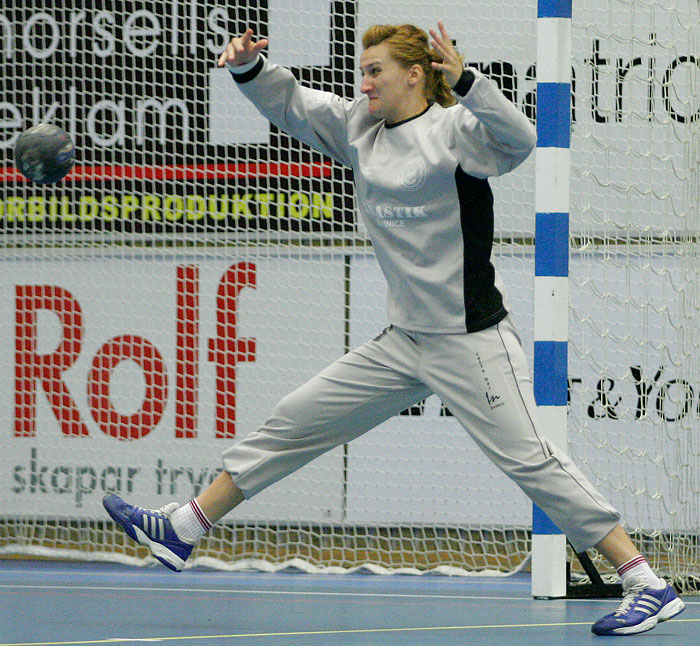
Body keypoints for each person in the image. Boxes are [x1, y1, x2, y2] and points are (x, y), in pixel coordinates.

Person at [102, 22, 685, 636]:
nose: (365, 80)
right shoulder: (359, 127)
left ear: (415, 75)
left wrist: (467, 80)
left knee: (533, 463)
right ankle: (183, 527)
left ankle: (645, 582)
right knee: (296, 419)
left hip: (470, 341)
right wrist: (249, 68)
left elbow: (520, 141)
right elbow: (294, 104)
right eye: (363, 69)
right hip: (404, 342)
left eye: (376, 70)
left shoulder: (456, 132)